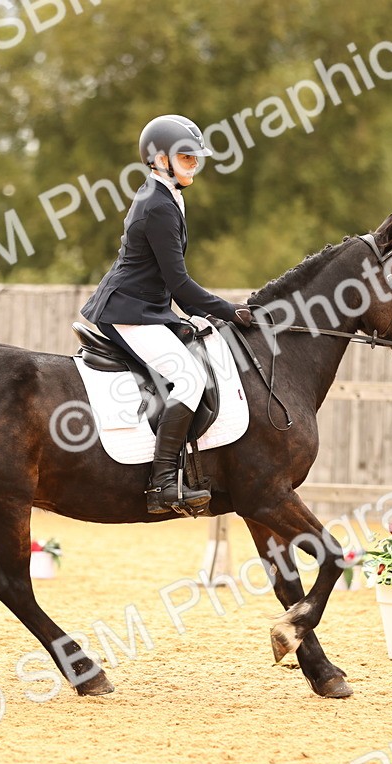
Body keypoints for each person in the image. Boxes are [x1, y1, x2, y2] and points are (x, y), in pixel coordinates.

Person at [81, 114, 253, 515]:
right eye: (187, 158)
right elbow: (179, 283)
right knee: (189, 378)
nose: (194, 165)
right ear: (159, 160)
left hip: (146, 306)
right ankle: (161, 483)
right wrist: (229, 311)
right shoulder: (157, 206)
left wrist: (203, 315)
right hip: (127, 310)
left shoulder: (167, 196)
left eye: (196, 159)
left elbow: (170, 284)